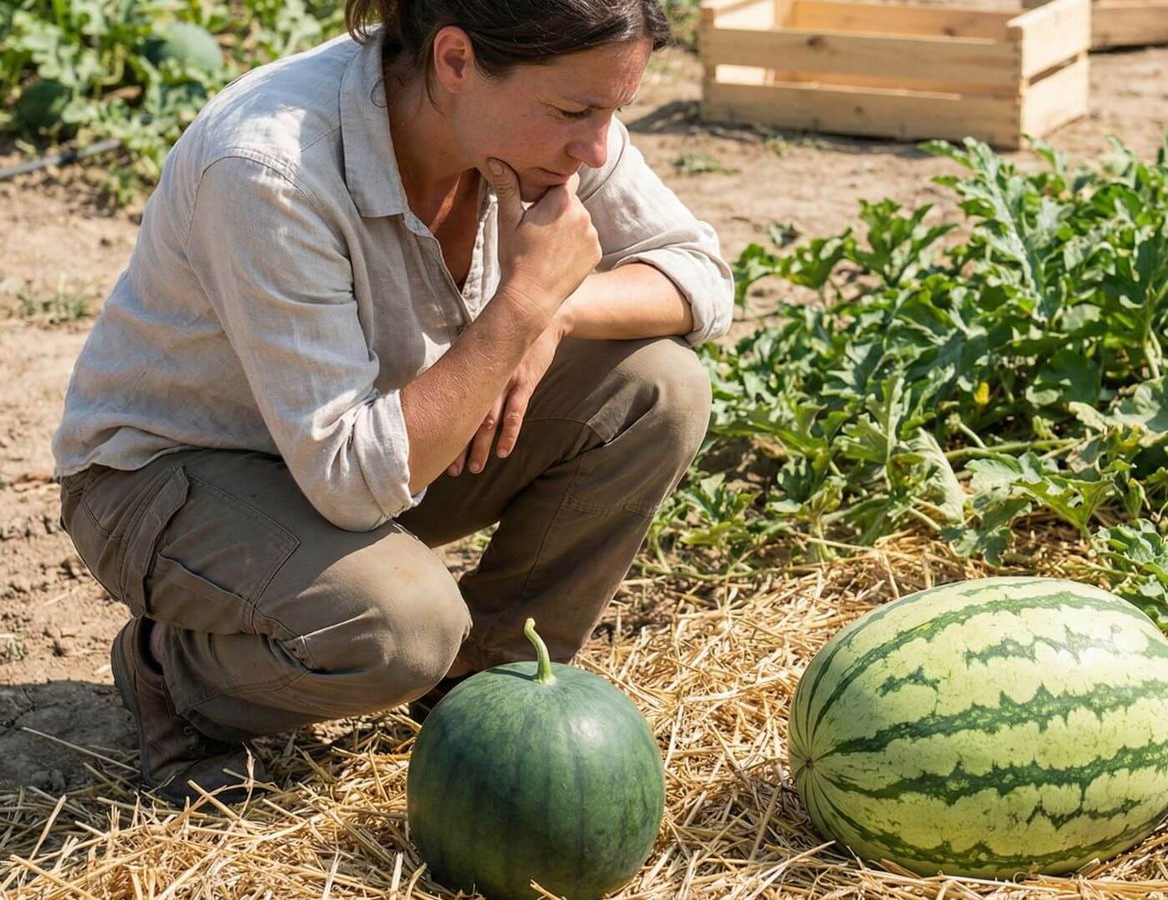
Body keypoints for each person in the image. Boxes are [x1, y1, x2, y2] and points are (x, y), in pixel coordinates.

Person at [51, 0, 732, 804]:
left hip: (377, 449)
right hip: (168, 482)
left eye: (612, 112)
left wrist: (561, 308)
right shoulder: (269, 167)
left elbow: (699, 275)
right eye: (575, 111)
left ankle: (479, 689)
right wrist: (517, 310)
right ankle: (174, 673)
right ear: (454, 61)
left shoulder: (543, 121)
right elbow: (347, 478)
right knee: (403, 628)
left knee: (660, 387)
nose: (594, 147)